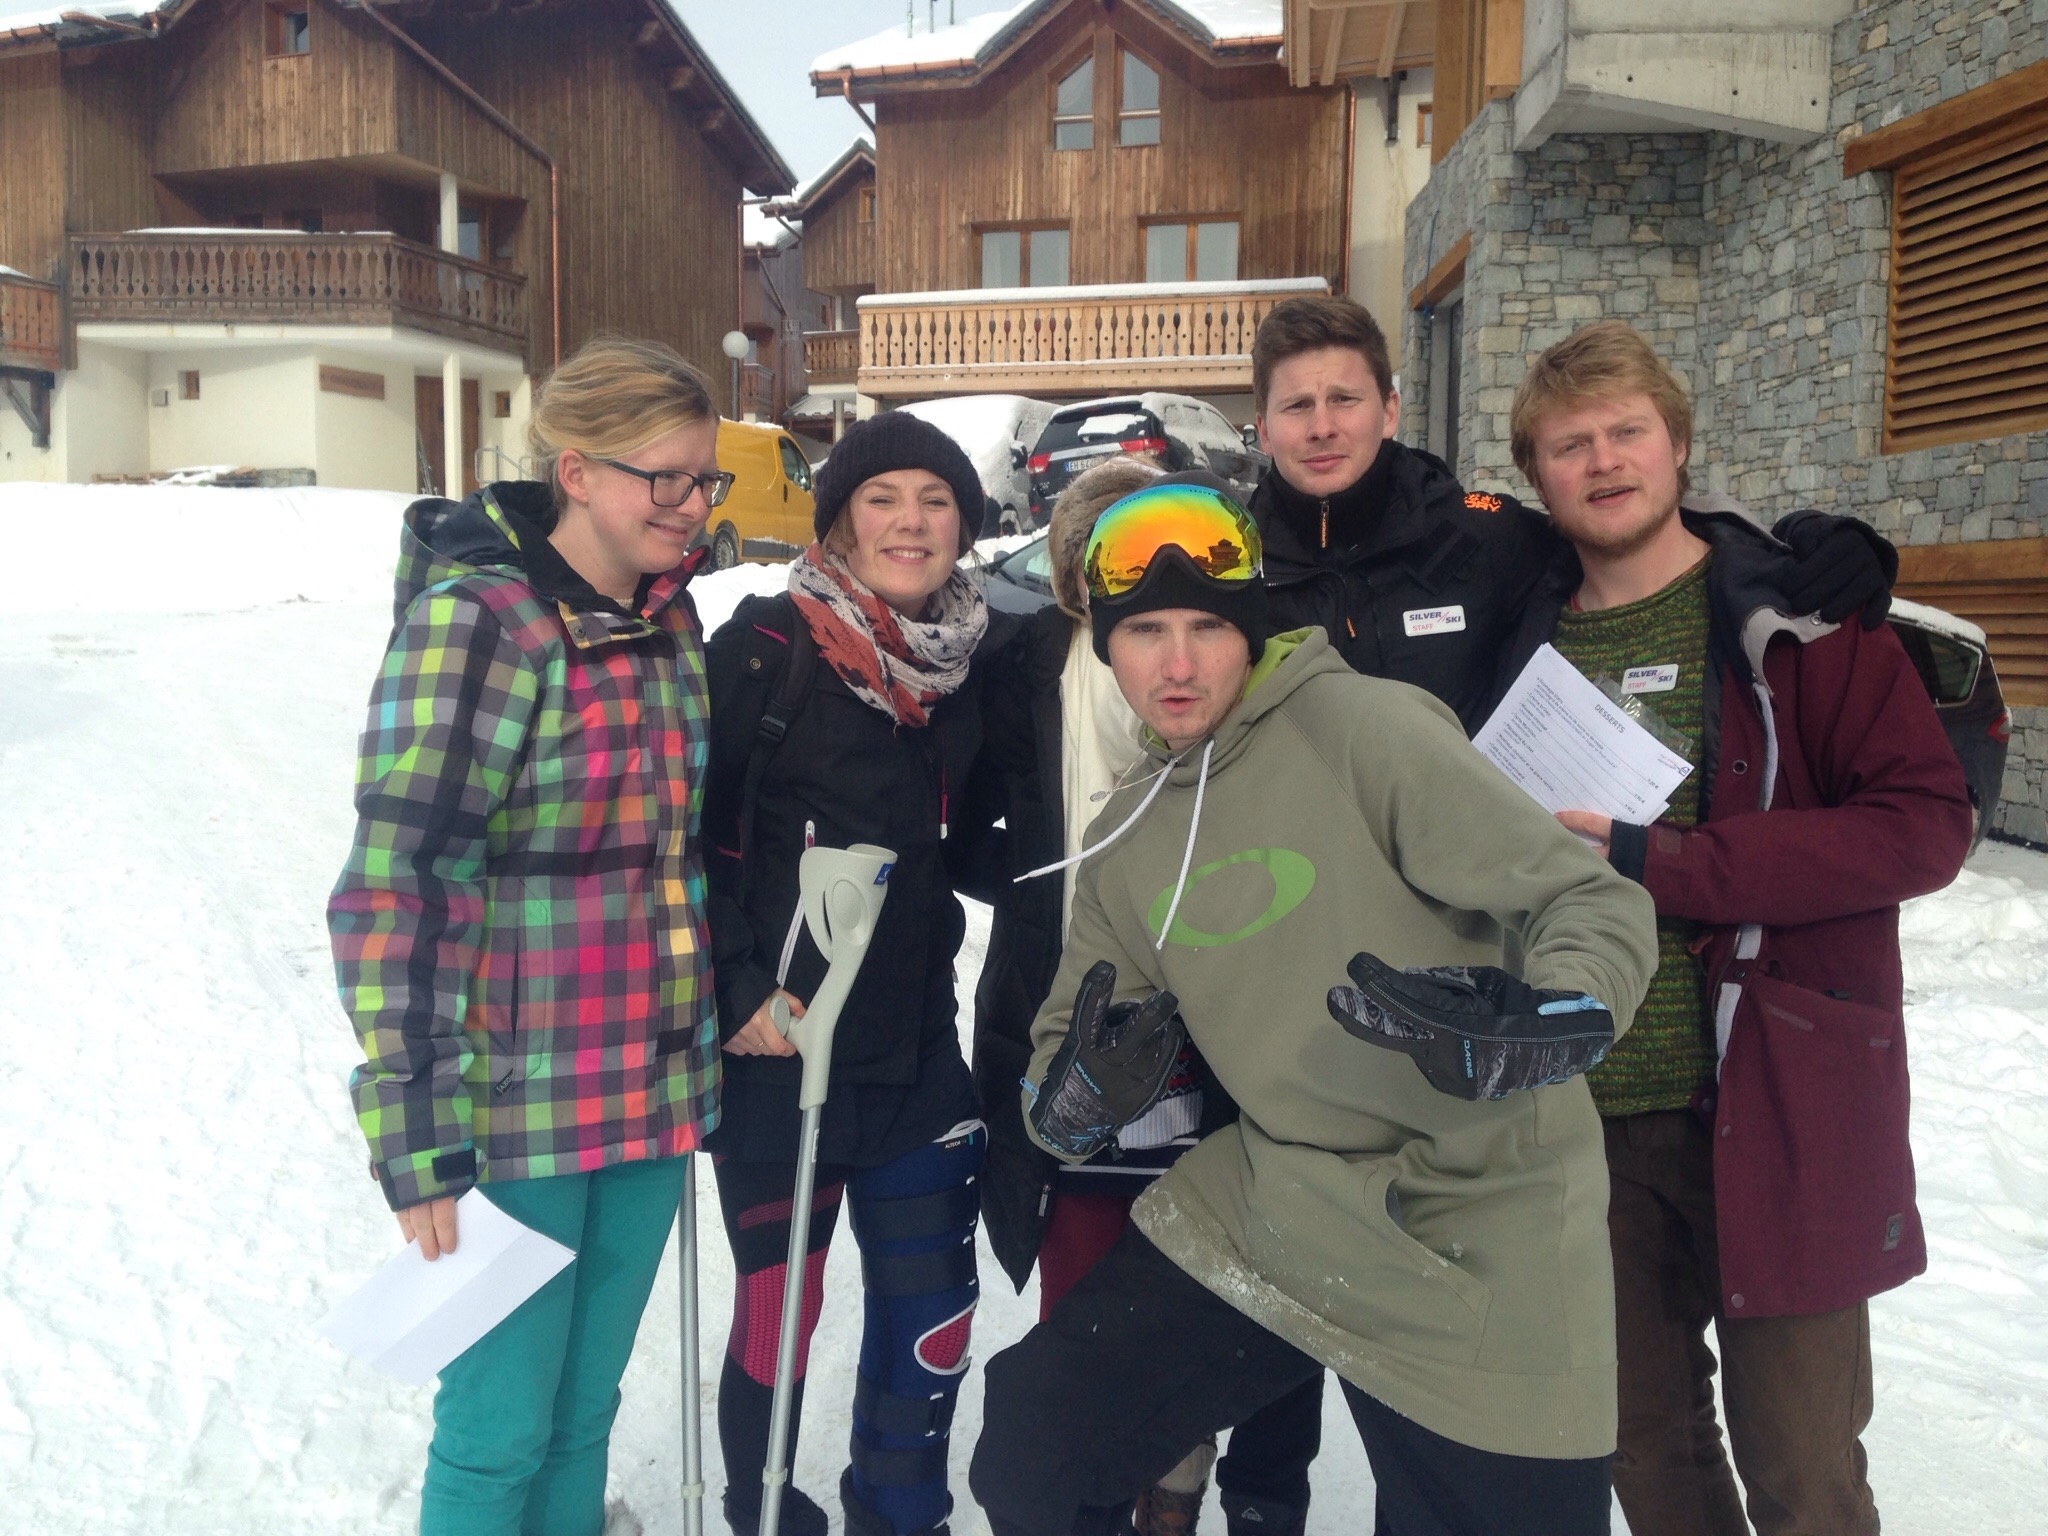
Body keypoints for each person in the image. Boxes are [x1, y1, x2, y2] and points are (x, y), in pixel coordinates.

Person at [968, 476, 1660, 1536]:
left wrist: (1557, 1016)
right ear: (1106, 645)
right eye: (1144, 631)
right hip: (1282, 1201)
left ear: (1249, 628)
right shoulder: (1131, 833)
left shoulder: (1365, 730)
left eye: (1206, 626)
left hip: (1477, 1217)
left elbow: (1589, 898)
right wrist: (1071, 1101)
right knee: (1033, 1449)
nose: (1177, 663)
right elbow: (1063, 1048)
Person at [1493, 321, 1973, 1536]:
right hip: (1585, 1122)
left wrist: (1668, 864)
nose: (1602, 462)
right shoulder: (1520, 646)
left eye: (1625, 432)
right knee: (1644, 1455)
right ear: (1534, 475)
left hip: (1777, 1097)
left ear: (1676, 443)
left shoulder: (1800, 624)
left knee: (1805, 1478)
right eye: (1567, 445)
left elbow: (1922, 828)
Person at [329, 336, 728, 1536]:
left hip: (647, 1095)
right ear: (577, 472)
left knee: (582, 1410)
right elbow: (399, 879)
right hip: (513, 1107)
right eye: (663, 478)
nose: (690, 504)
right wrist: (413, 1122)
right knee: (498, 1429)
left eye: (703, 479)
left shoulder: (667, 622)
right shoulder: (481, 625)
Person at [701, 412, 1000, 1536]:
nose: (909, 522)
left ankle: (898, 1514)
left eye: (936, 500)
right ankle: (764, 1514)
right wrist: (733, 988)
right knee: (779, 1316)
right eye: (882, 498)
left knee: (932, 1320)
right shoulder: (764, 652)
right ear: (837, 523)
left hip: (918, 1056)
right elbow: (679, 840)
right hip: (785, 1053)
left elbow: (981, 836)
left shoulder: (968, 667)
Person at [976, 457, 1275, 1535]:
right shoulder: (1024, 668)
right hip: (1081, 1027)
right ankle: (1095, 1497)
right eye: (1107, 565)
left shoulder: (1233, 679)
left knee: (1201, 1290)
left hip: (1214, 1040)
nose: (1138, 590)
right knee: (1085, 1282)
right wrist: (1031, 894)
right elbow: (978, 819)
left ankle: (1174, 1499)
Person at [1247, 293, 1895, 729]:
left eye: (1345, 399)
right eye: (1298, 406)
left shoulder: (1482, 537)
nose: (1323, 426)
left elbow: (1629, 534)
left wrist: (1807, 543)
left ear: (1389, 411)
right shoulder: (1225, 568)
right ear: (1266, 430)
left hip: (1453, 887)